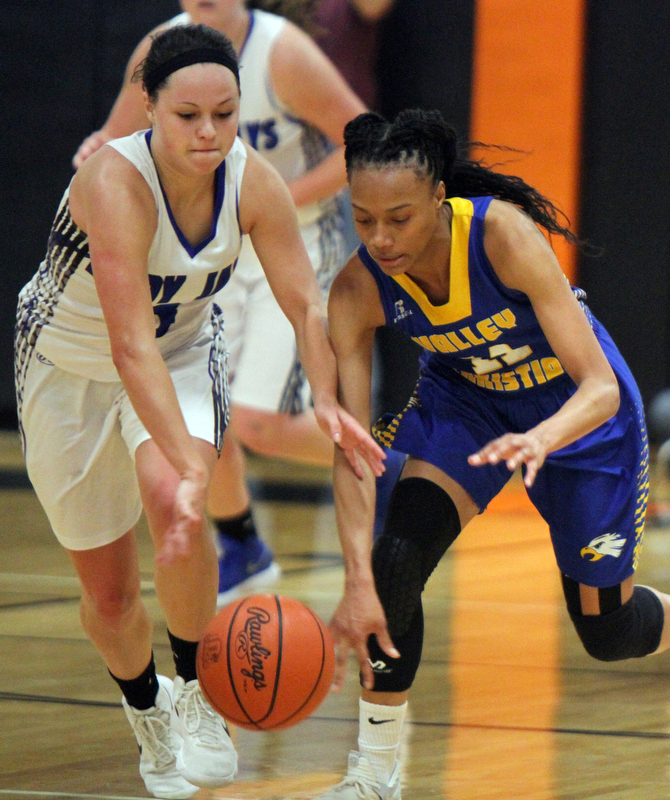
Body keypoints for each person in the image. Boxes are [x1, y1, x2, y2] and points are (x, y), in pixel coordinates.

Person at [14, 25, 384, 800]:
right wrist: (192, 462)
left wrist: (323, 394)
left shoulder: (253, 182)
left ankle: (196, 693)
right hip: (71, 367)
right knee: (110, 597)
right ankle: (147, 710)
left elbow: (304, 306)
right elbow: (126, 346)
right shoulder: (114, 183)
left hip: (181, 352)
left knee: (172, 501)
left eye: (226, 112)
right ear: (148, 108)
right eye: (188, 117)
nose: (210, 133)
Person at [318, 108, 670, 800]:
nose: (382, 239)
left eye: (400, 218)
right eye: (363, 220)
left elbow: (598, 386)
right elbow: (355, 450)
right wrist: (356, 576)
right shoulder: (356, 290)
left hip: (577, 418)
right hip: (468, 402)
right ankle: (375, 773)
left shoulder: (501, 234)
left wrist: (541, 439)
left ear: (439, 199)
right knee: (395, 561)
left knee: (608, 632)